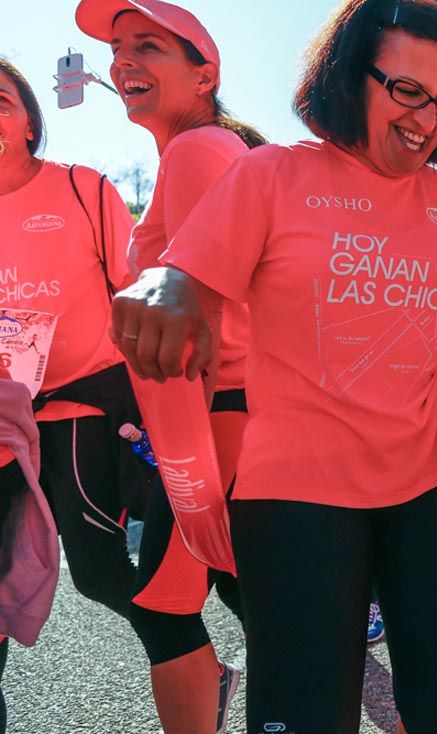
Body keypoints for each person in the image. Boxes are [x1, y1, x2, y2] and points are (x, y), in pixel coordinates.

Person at [110, 1, 437, 731]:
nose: (428, 119)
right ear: (349, 76)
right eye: (408, 91)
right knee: (304, 716)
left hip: (431, 490)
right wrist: (163, 286)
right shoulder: (271, 175)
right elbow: (187, 275)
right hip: (296, 496)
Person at [75, 1, 266, 730]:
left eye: (147, 46)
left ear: (204, 73)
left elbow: (206, 321)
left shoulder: (198, 151)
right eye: (118, 49)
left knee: (183, 606)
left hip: (226, 422)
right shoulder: (201, 153)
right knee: (236, 605)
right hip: (224, 418)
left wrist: (190, 463)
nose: (123, 61)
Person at [0, 58, 139, 709]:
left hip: (83, 407)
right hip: (3, 427)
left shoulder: (83, 189)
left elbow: (140, 297)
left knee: (101, 574)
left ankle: (189, 659)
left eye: (0, 101)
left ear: (31, 120)